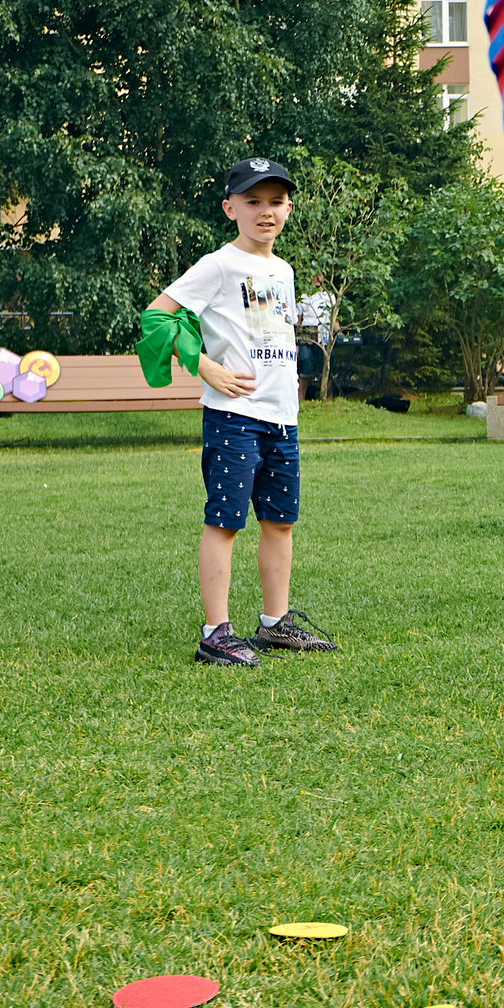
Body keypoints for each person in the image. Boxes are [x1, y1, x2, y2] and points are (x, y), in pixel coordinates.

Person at [145, 156, 338, 667]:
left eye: (275, 202)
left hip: (282, 418)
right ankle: (216, 633)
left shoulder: (283, 269)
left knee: (280, 520)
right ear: (231, 207)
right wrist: (203, 365)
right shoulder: (218, 265)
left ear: (289, 208)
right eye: (253, 201)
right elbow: (157, 316)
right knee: (226, 520)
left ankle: (274, 625)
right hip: (233, 416)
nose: (265, 211)